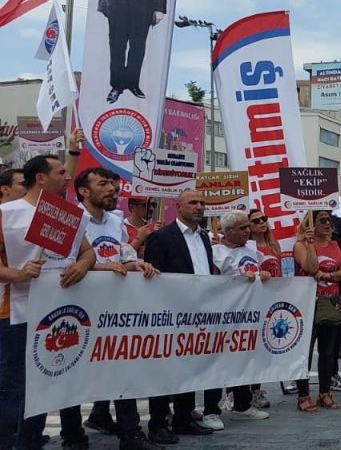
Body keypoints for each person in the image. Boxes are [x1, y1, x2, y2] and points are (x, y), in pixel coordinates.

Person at [3, 159, 115, 450]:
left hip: (57, 314)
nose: (67, 177)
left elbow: (87, 252)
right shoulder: (6, 214)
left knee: (45, 387)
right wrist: (17, 274)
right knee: (16, 389)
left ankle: (29, 443)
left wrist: (82, 265)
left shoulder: (65, 215)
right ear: (41, 178)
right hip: (15, 314)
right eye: (61, 172)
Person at [73, 167, 163, 450]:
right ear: (84, 191)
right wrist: (100, 268)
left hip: (115, 309)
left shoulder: (115, 221)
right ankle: (72, 434)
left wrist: (135, 263)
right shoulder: (72, 219)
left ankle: (130, 432)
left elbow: (121, 252)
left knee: (123, 366)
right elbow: (64, 264)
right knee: (73, 373)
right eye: (103, 184)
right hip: (82, 309)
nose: (112, 189)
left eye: (113, 184)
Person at [142, 189, 218, 440]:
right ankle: (158, 423)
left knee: (191, 367)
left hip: (199, 313)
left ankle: (183, 418)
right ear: (179, 206)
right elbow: (154, 279)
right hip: (171, 313)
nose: (199, 207)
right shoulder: (162, 237)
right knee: (165, 371)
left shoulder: (204, 237)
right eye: (193, 202)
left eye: (202, 203)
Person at [208, 211, 272, 423]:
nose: (247, 231)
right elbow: (212, 281)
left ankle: (242, 404)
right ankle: (211, 410)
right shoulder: (216, 252)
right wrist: (238, 279)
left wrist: (262, 275)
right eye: (242, 228)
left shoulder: (252, 248)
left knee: (244, 359)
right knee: (217, 362)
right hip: (224, 315)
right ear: (227, 231)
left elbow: (257, 270)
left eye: (247, 227)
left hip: (249, 314)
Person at [292, 210, 341, 412]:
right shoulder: (300, 245)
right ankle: (303, 395)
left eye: (329, 220)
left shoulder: (334, 245)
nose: (328, 224)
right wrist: (310, 245)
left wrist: (328, 275)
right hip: (308, 304)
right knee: (305, 352)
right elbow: (311, 268)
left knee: (328, 351)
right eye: (322, 220)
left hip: (330, 302)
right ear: (311, 224)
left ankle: (325, 392)